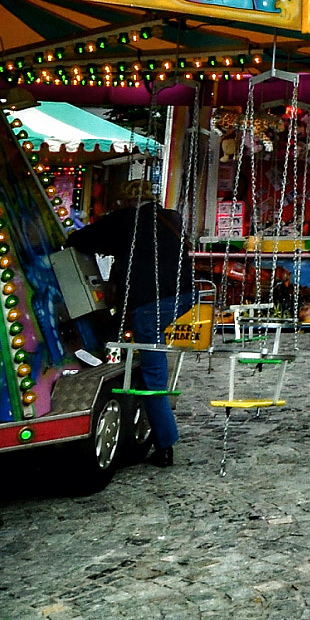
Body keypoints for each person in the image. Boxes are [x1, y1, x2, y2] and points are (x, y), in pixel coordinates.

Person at [70, 181, 191, 466]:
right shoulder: (168, 218)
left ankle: (164, 444)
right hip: (183, 297)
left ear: (125, 202)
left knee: (153, 375)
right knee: (132, 336)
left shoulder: (126, 221)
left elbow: (80, 240)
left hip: (149, 303)